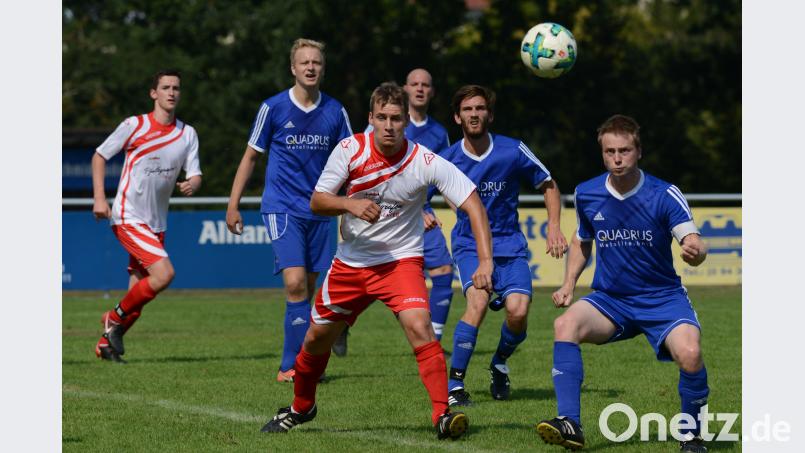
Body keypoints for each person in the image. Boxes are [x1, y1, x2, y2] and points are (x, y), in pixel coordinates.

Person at [260, 82, 493, 440]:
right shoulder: (350, 149)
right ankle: (301, 406)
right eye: (382, 117)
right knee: (315, 341)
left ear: (405, 123)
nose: (389, 125)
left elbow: (473, 203)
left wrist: (485, 261)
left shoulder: (423, 160)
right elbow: (318, 200)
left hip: (399, 264)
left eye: (396, 118)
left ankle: (442, 414)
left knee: (420, 325)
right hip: (351, 264)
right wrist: (349, 203)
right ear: (370, 119)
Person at [536, 115, 710, 453]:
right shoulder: (586, 193)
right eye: (610, 151)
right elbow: (582, 241)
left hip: (662, 299)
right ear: (602, 153)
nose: (617, 158)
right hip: (612, 300)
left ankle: (692, 436)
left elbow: (694, 242)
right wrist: (569, 283)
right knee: (565, 324)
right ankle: (570, 422)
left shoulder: (664, 194)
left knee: (690, 354)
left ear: (638, 151)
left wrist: (695, 252)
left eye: (625, 151)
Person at [226, 38, 353, 382]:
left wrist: (351, 206)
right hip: (282, 208)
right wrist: (233, 204)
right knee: (295, 284)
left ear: (322, 69)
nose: (311, 67)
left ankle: (307, 362)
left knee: (309, 289)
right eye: (304, 62)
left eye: (317, 62)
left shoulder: (336, 112)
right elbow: (251, 156)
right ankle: (289, 367)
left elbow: (352, 163)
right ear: (293, 68)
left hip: (320, 210)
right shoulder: (274, 107)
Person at [440, 85, 567, 405]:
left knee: (518, 311)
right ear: (457, 117)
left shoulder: (512, 150)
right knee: (478, 303)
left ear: (490, 115)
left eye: (480, 108)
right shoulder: (449, 158)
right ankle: (454, 385)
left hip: (510, 246)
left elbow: (549, 184)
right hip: (470, 245)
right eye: (467, 109)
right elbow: (423, 185)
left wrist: (554, 226)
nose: (474, 114)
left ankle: (498, 362)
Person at [92, 70, 202, 363]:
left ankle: (106, 345)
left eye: (176, 88)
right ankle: (111, 318)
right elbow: (100, 156)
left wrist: (193, 183)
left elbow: (196, 173)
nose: (171, 92)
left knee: (139, 296)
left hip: (156, 223)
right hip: (128, 216)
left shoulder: (187, 133)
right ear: (153, 93)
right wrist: (100, 198)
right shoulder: (134, 125)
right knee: (164, 274)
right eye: (165, 87)